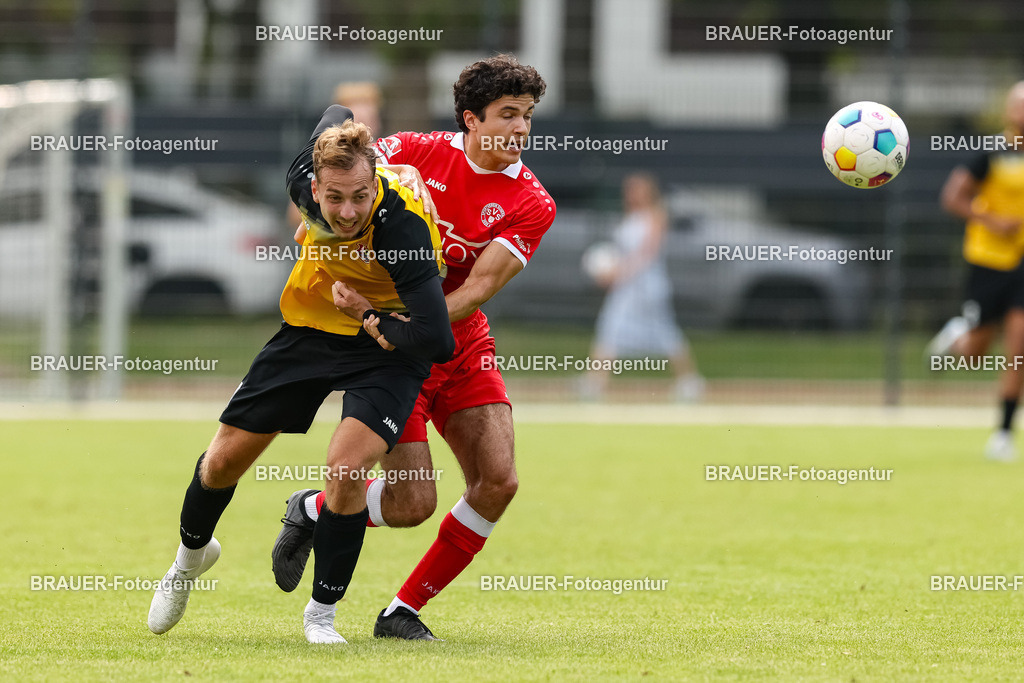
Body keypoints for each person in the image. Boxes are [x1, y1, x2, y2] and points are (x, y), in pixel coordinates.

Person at [270, 54, 555, 640]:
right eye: (508, 115)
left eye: (527, 116)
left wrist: (391, 316)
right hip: (394, 353)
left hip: (456, 341)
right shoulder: (415, 151)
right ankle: (317, 508)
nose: (521, 128)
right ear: (471, 120)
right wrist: (315, 218)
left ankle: (402, 611)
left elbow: (476, 289)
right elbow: (340, 180)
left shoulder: (532, 202)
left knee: (499, 482)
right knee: (411, 504)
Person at [146, 105, 454, 644]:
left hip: (386, 343)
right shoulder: (301, 181)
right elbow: (336, 113)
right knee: (220, 463)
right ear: (314, 187)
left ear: (374, 179)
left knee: (347, 470)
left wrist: (367, 314)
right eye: (334, 198)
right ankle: (188, 561)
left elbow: (437, 339)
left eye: (360, 195)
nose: (347, 210)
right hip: (310, 328)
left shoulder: (400, 225)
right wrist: (350, 127)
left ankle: (321, 616)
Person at [928, 80, 1024, 461]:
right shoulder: (992, 154)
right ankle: (958, 338)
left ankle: (1002, 434)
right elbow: (952, 198)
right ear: (1009, 112)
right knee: (976, 354)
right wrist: (991, 219)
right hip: (988, 261)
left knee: (1019, 346)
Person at [580, 173, 704, 401]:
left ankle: (690, 382)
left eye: (635, 189)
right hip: (627, 287)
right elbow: (623, 252)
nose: (629, 194)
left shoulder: (656, 216)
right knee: (611, 327)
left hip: (647, 287)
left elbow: (647, 253)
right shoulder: (630, 216)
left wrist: (618, 273)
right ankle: (595, 382)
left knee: (665, 333)